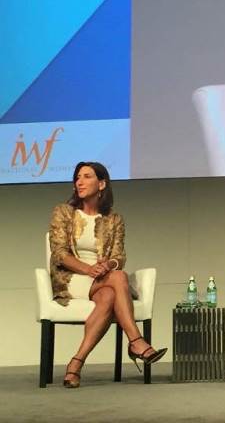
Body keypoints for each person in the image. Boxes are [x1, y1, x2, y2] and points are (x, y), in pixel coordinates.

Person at [49, 162, 167, 389]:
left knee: (110, 294)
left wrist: (107, 265)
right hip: (71, 278)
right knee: (120, 278)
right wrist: (88, 269)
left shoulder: (114, 220)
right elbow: (59, 253)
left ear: (101, 183)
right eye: (77, 178)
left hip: (101, 279)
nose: (79, 182)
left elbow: (119, 256)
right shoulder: (63, 212)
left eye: (86, 177)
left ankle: (76, 363)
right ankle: (136, 341)